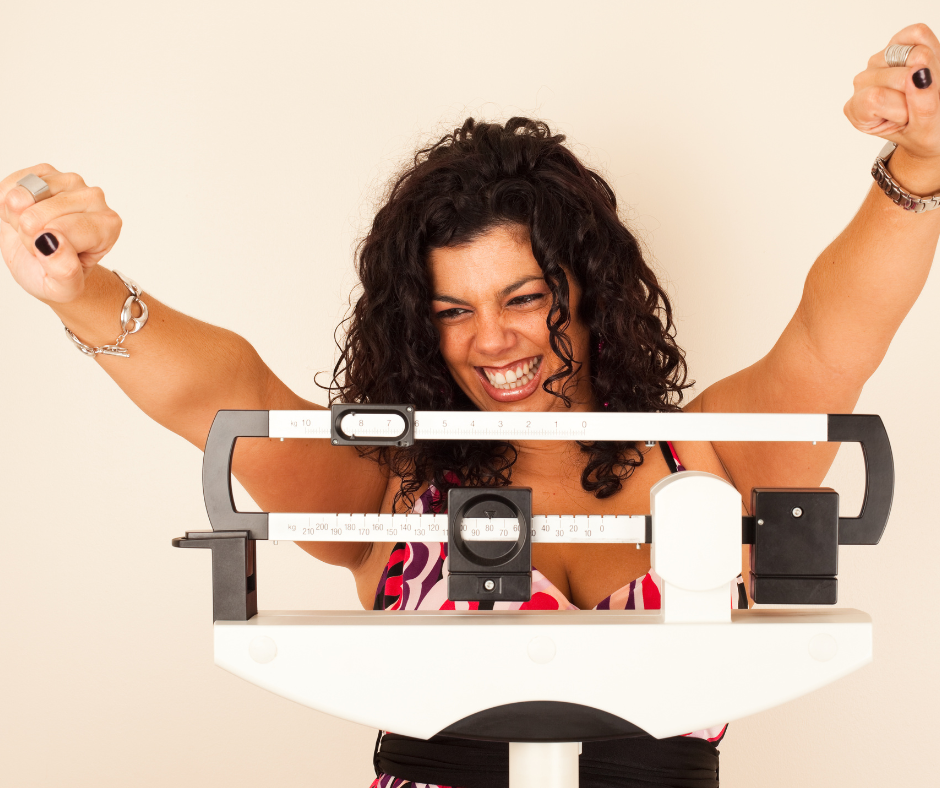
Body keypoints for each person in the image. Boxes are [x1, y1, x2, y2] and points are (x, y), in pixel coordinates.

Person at [2, 22, 939, 788]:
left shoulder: (712, 460)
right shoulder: (386, 489)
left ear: (590, 290)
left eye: (523, 298)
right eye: (453, 311)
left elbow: (830, 335)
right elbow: (228, 390)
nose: (491, 342)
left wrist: (921, 162)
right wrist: (80, 285)